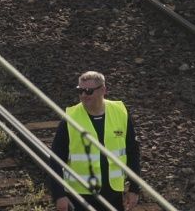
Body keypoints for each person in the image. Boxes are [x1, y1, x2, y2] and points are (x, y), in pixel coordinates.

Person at [48, 71, 141, 211]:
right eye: (80, 91)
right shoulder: (70, 118)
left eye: (89, 91)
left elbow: (133, 152)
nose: (84, 95)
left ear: (103, 90)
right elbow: (55, 159)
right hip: (80, 196)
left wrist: (134, 188)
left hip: (113, 194)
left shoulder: (120, 113)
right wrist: (58, 195)